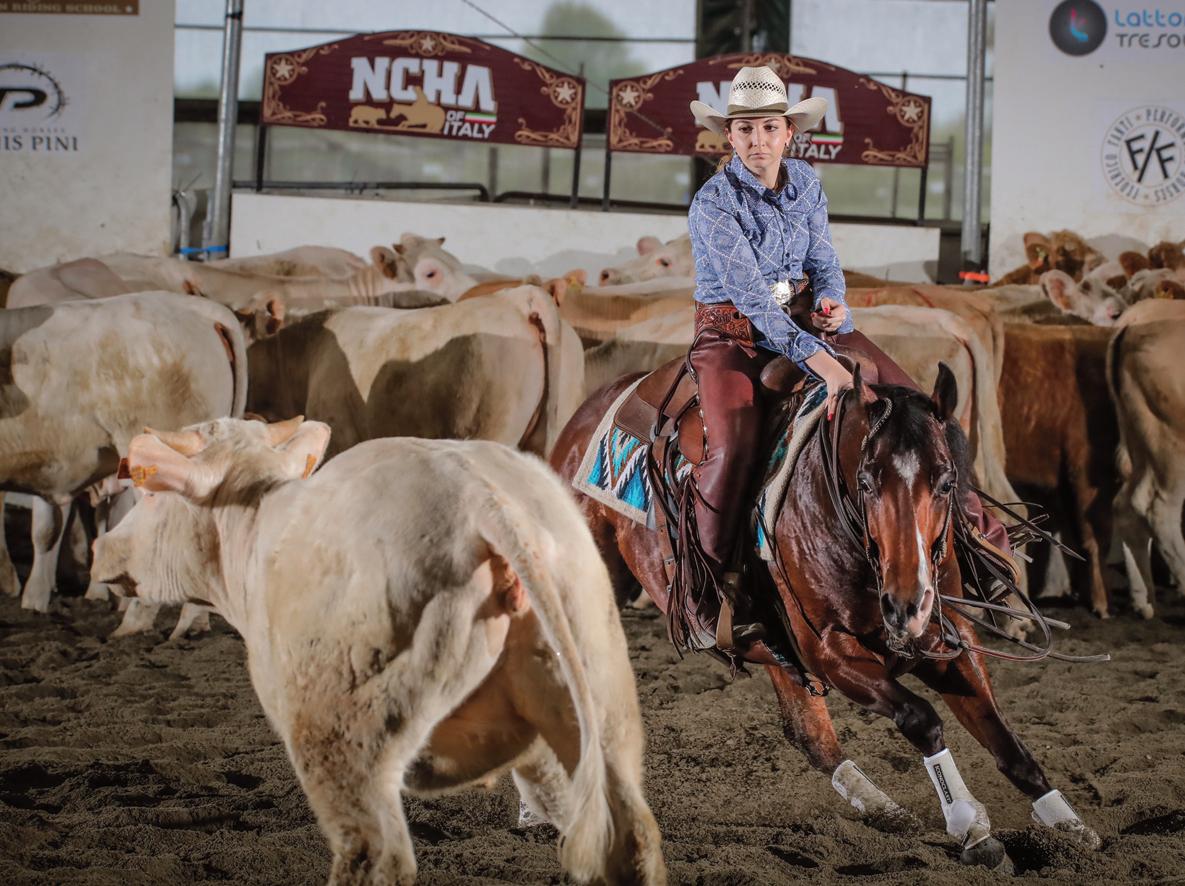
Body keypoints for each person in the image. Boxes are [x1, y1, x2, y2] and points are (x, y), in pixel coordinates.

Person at [682, 65, 1012, 655]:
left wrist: (834, 304)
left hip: (805, 320)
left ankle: (981, 539)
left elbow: (824, 261)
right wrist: (823, 360)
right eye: (745, 129)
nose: (757, 140)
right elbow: (752, 299)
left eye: (769, 128)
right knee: (730, 447)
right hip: (733, 336)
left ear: (789, 133)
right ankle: (707, 592)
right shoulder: (713, 203)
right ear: (728, 137)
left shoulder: (806, 183)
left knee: (919, 411)